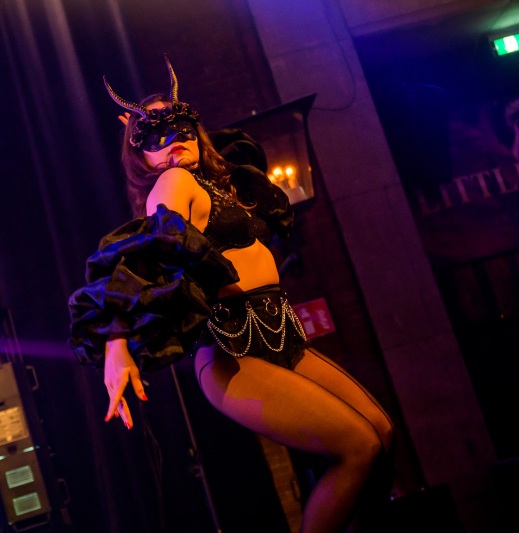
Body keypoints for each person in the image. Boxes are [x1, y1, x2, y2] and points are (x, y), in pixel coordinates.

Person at [68, 56, 394, 533]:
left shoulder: (212, 180)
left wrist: (160, 123)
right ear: (140, 158)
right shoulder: (173, 183)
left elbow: (202, 145)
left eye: (180, 128)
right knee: (359, 446)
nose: (172, 140)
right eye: (153, 137)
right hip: (232, 352)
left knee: (381, 434)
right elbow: (144, 255)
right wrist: (116, 344)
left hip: (278, 334)